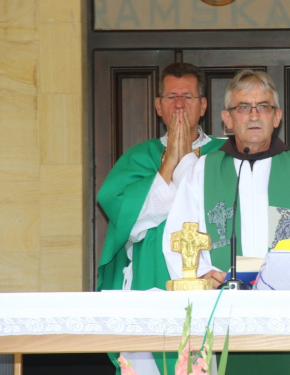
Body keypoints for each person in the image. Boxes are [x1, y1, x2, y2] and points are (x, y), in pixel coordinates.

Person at [163, 69, 290, 375]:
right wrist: (202, 275)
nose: (254, 114)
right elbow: (179, 237)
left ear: (277, 116)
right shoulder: (204, 171)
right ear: (227, 119)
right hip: (218, 312)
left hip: (285, 315)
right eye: (243, 107)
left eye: (263, 106)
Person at [96, 62, 226, 375]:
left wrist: (185, 164)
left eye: (188, 97)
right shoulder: (139, 157)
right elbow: (130, 222)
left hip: (211, 281)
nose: (179, 104)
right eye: (170, 97)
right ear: (158, 106)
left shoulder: (225, 154)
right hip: (149, 280)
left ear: (203, 105)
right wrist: (169, 164)